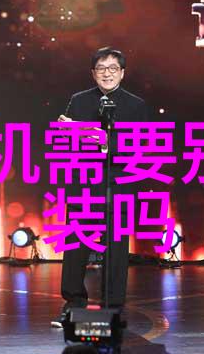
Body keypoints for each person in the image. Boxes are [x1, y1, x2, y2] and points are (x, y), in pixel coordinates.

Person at [51, 47, 149, 327]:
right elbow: (65, 144)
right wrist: (66, 131)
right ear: (93, 73)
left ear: (122, 73)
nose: (107, 73)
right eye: (101, 68)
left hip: (119, 184)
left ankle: (113, 307)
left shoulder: (136, 105)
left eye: (113, 68)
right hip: (84, 182)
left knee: (116, 248)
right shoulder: (79, 100)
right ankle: (73, 303)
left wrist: (106, 143)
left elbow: (142, 145)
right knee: (76, 245)